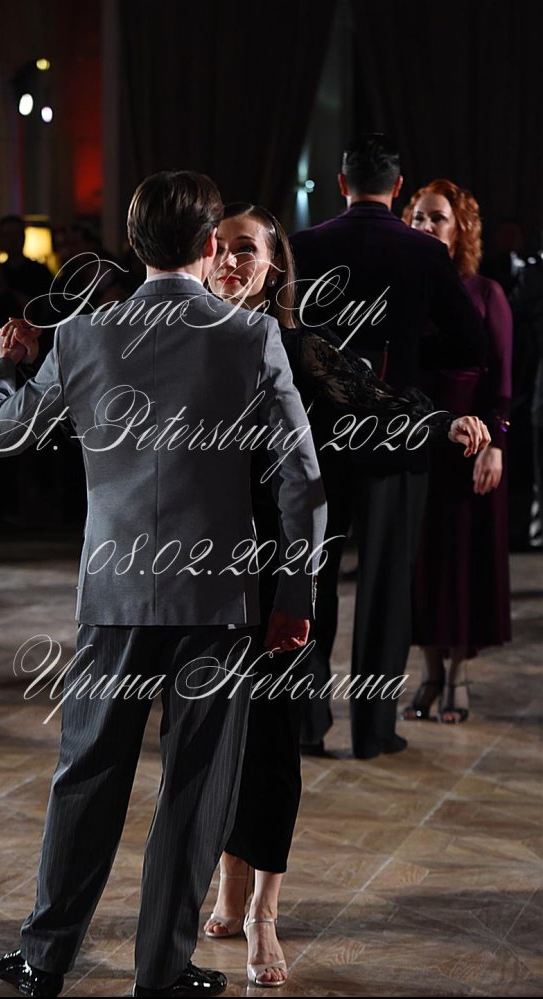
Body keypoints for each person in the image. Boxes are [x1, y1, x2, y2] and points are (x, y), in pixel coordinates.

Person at [0, 171, 326, 999]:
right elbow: (302, 483)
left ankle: (44, 959)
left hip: (115, 595)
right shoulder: (250, 337)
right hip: (218, 602)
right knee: (195, 788)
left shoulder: (83, 335)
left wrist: (4, 366)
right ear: (211, 245)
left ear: (135, 246)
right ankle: (161, 971)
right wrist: (295, 596)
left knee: (86, 776)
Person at [202, 202, 490, 986]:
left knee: (271, 742)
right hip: (200, 574)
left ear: (274, 267)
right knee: (212, 740)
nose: (230, 260)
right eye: (220, 247)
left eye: (246, 250)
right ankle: (226, 883)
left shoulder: (298, 347)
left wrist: (446, 424)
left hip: (278, 568)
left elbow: (372, 400)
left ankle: (263, 913)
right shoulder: (183, 338)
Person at [290, 133, 486, 759]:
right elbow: (472, 344)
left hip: (319, 436)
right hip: (397, 435)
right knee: (385, 586)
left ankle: (306, 724)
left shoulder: (304, 246)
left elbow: (289, 341)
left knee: (313, 580)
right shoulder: (423, 251)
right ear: (399, 188)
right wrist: (403, 357)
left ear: (340, 182)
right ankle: (374, 731)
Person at [401, 179, 513, 722]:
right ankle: (428, 673)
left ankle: (457, 677)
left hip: (475, 446)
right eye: (418, 217)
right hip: (419, 441)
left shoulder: (486, 292)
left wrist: (497, 445)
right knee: (420, 560)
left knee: (465, 559)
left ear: (460, 228)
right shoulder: (405, 291)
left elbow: (504, 380)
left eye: (437, 217)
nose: (425, 226)